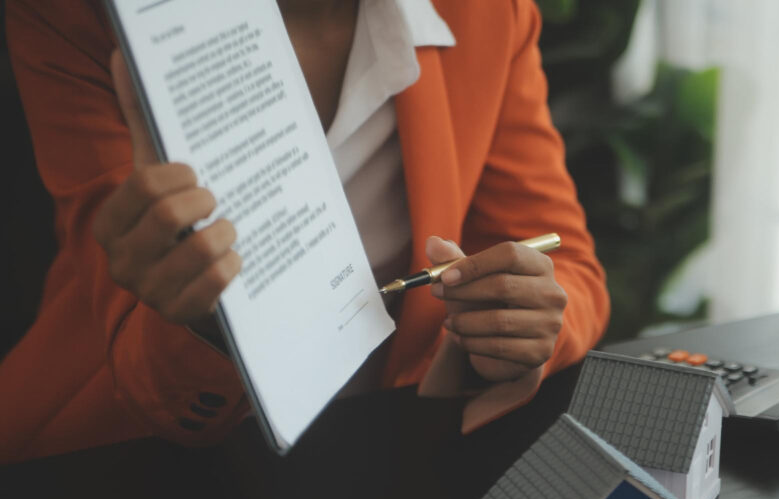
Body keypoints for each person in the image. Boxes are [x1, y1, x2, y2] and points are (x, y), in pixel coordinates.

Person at [0, 0, 610, 462]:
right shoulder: (76, 16)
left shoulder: (485, 12)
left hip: (387, 449)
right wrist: (209, 321)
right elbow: (138, 355)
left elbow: (570, 265)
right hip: (116, 460)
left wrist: (523, 328)